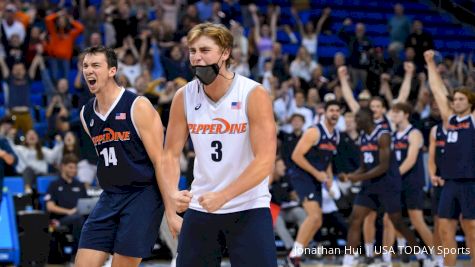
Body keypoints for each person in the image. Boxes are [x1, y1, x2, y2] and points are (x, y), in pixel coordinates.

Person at [161, 22, 277, 267]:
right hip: (202, 207)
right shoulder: (183, 96)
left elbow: (265, 161)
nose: (197, 57)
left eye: (204, 50)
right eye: (192, 51)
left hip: (248, 207)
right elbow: (170, 154)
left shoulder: (252, 94)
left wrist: (224, 196)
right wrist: (172, 199)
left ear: (225, 53)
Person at [75, 46, 177, 267]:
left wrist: (171, 211)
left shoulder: (137, 106)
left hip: (142, 194)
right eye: (85, 66)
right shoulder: (86, 114)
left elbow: (161, 161)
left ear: (112, 70)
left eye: (95, 65)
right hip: (110, 194)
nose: (88, 71)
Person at [340, 108, 426, 267]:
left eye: (358, 118)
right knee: (354, 219)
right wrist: (350, 175)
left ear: (368, 119)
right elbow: (364, 166)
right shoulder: (363, 137)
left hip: (388, 185)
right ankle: (348, 260)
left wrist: (357, 178)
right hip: (369, 186)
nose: (355, 122)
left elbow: (383, 167)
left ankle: (420, 254)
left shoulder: (383, 135)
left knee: (397, 222)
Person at [425, 50, 475, 267]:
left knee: (471, 228)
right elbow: (437, 90)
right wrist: (429, 64)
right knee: (444, 227)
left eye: (461, 99)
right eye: (454, 99)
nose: (455, 102)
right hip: (450, 182)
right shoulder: (450, 119)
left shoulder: (473, 119)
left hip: (470, 181)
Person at [287, 100, 341, 266]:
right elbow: (296, 156)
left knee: (318, 221)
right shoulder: (314, 131)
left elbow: (328, 160)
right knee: (315, 215)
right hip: (302, 176)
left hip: (317, 177)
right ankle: (293, 256)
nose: (334, 113)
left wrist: (329, 179)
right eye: (331, 110)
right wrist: (317, 173)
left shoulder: (336, 135)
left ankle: (297, 253)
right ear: (324, 112)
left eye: (337, 111)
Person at [391, 102, 433, 252]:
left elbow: (411, 160)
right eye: (393, 113)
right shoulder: (393, 135)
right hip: (398, 182)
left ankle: (438, 256)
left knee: (417, 220)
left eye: (397, 113)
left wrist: (393, 176)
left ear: (406, 115)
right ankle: (404, 253)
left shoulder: (414, 133)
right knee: (394, 219)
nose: (394, 115)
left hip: (412, 181)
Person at [45, 154, 87, 250]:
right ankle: (77, 254)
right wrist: (68, 212)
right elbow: (50, 207)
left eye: (75, 168)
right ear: (63, 167)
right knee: (78, 219)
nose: (74, 170)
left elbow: (86, 203)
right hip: (59, 219)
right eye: (71, 167)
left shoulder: (80, 185)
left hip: (79, 215)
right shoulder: (54, 185)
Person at [428, 122, 447, 267]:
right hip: (440, 182)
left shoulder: (469, 124)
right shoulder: (436, 130)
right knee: (438, 222)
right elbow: (431, 157)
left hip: (461, 180)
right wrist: (432, 175)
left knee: (468, 223)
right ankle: (438, 259)